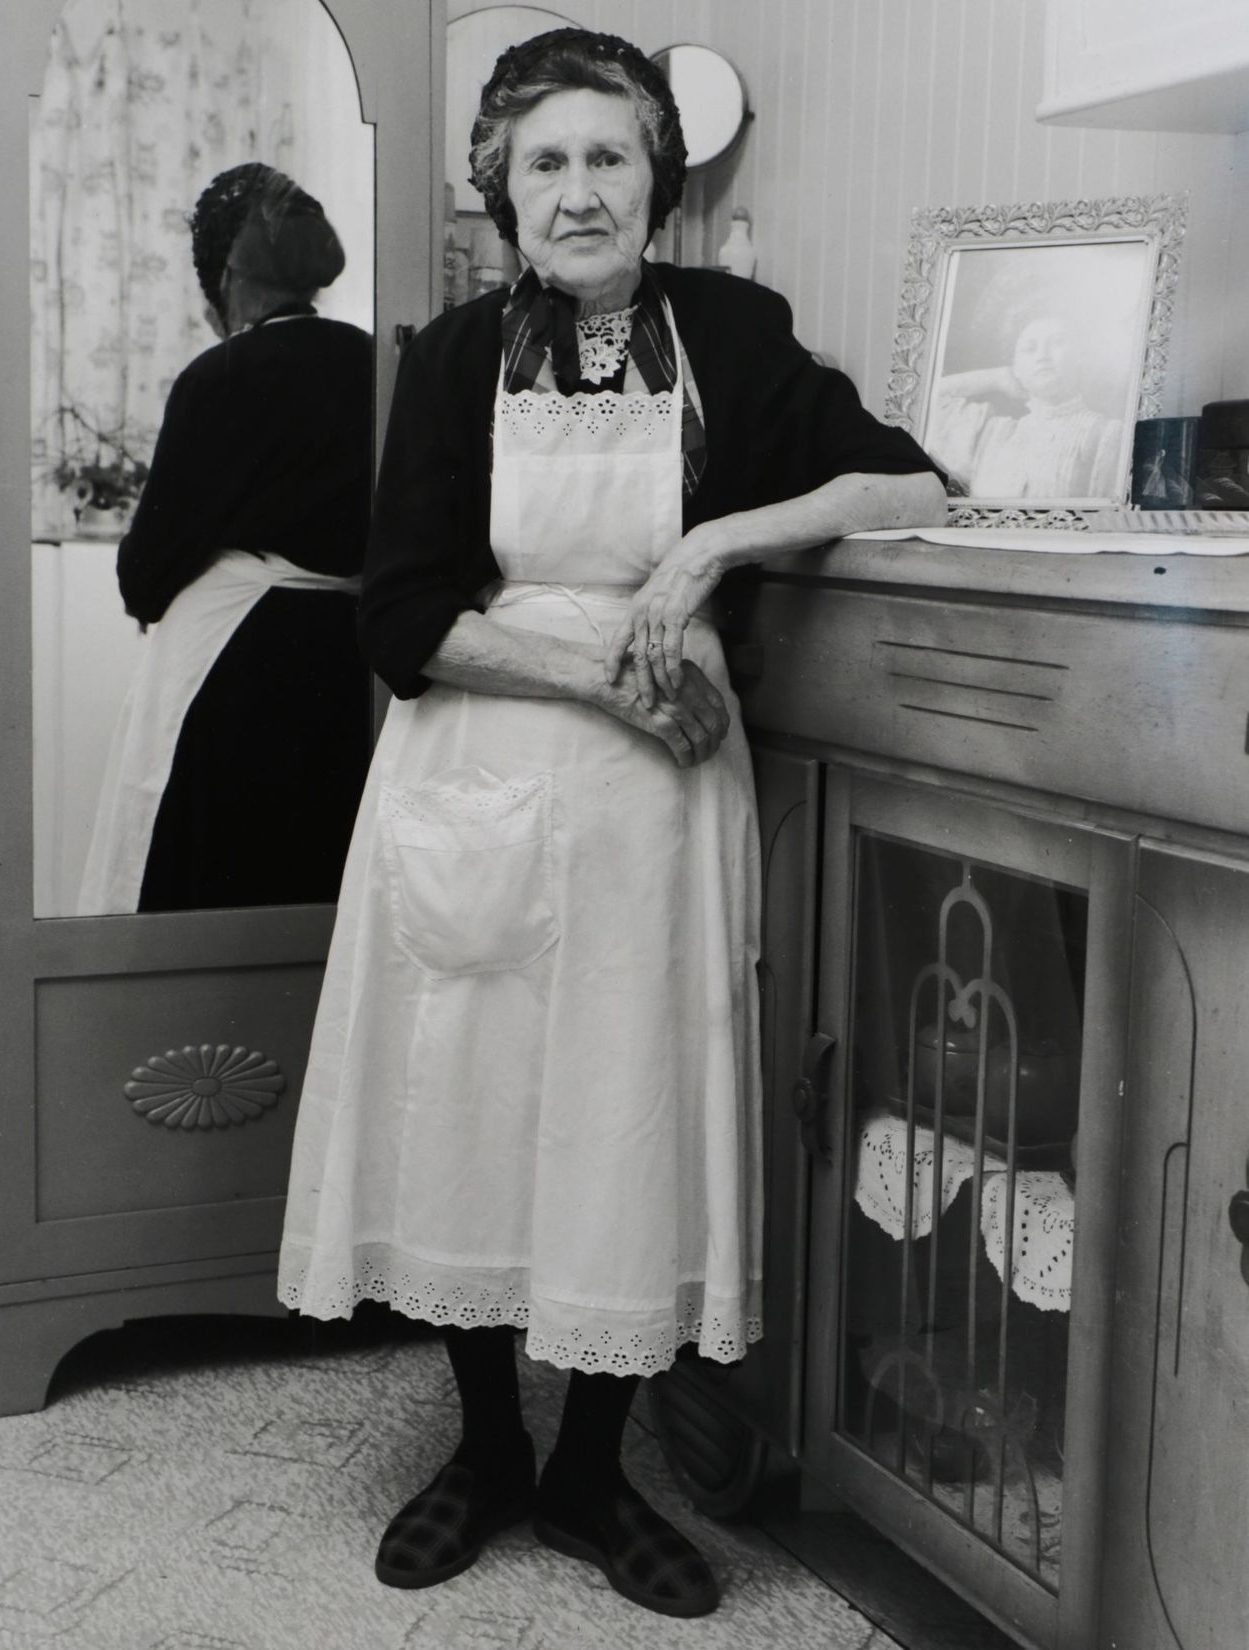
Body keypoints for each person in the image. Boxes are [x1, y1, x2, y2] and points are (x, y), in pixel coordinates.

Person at [277, 29, 946, 1618]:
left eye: (608, 157)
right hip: (481, 767)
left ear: (657, 182)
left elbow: (909, 484)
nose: (578, 191)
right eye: (545, 162)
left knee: (624, 1110)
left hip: (655, 807)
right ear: (500, 191)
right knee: (467, 1102)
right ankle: (485, 1448)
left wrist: (709, 547)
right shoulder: (454, 356)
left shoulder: (731, 333)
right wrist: (606, 680)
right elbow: (401, 617)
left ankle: (588, 1470)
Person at [78, 163, 372, 914]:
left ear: (226, 280)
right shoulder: (380, 362)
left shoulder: (219, 375)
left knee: (209, 903)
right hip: (349, 669)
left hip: (233, 674)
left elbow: (145, 573)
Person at [926, 310, 1124, 501]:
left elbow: (1108, 513)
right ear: (1017, 368)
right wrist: (997, 377)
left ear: (1081, 357)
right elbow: (925, 402)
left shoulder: (1106, 434)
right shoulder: (994, 434)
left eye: (1057, 343)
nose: (1042, 356)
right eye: (1029, 349)